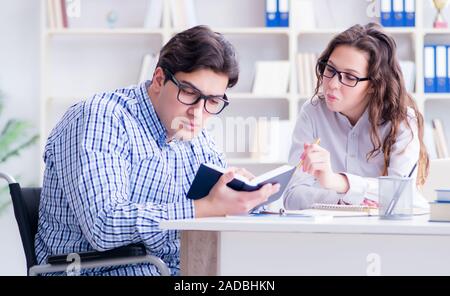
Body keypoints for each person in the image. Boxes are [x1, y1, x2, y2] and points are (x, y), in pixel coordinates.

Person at [35, 25, 280, 276]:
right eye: (188, 92)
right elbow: (105, 225)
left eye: (213, 101)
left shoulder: (196, 136)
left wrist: (242, 196)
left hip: (173, 269)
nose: (198, 112)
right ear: (159, 79)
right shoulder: (101, 118)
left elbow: (215, 210)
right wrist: (204, 207)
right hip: (96, 271)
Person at [284, 23, 429, 210]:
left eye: (350, 77)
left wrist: (338, 182)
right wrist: (348, 200)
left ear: (374, 85)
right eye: (330, 70)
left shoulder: (401, 121)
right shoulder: (313, 112)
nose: (333, 84)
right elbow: (292, 195)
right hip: (330, 233)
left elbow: (399, 195)